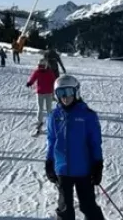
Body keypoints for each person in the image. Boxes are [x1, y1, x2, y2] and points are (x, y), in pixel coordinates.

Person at [45, 75, 105, 220]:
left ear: (76, 92)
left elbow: (95, 142)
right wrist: (49, 162)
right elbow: (51, 141)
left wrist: (98, 164)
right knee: (65, 207)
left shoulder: (88, 116)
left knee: (88, 205)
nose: (65, 97)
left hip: (83, 169)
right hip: (62, 169)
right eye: (60, 93)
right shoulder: (54, 116)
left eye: (68, 92)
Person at [26, 59, 56, 134]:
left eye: (42, 66)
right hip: (40, 93)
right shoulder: (37, 71)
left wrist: (55, 89)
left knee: (49, 109)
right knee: (40, 108)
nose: (41, 68)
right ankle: (39, 122)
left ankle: (50, 124)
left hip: (48, 93)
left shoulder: (49, 72)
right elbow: (33, 77)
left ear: (46, 66)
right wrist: (30, 83)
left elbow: (54, 81)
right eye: (40, 66)